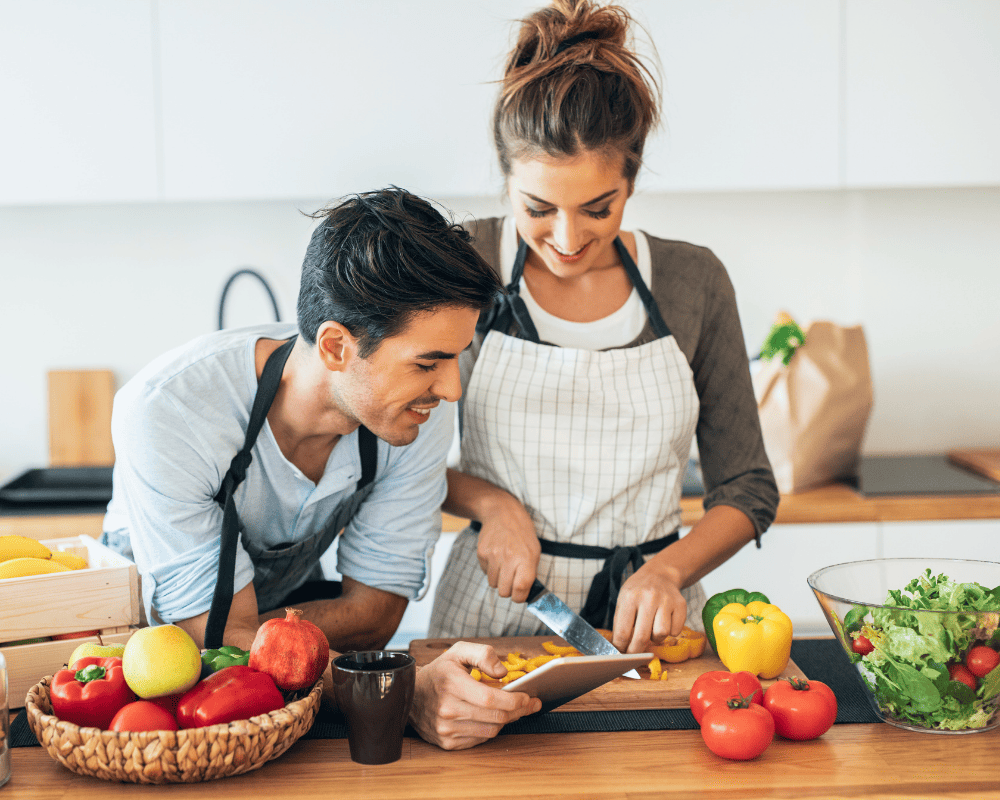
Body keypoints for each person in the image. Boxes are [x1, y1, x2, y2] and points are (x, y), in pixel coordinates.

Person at [101, 187, 542, 750]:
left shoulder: (412, 412)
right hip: (150, 675)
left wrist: (259, 633)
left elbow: (376, 614)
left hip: (283, 676)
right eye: (428, 362)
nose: (452, 389)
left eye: (456, 357)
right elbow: (212, 642)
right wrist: (394, 688)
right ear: (335, 347)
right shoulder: (170, 412)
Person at [429, 0, 780, 655]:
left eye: (598, 209)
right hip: (492, 615)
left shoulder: (691, 281)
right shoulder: (464, 263)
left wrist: (669, 569)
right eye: (538, 208)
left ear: (632, 178)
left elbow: (747, 488)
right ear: (505, 178)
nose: (566, 239)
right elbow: (394, 454)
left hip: (651, 622)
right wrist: (493, 507)